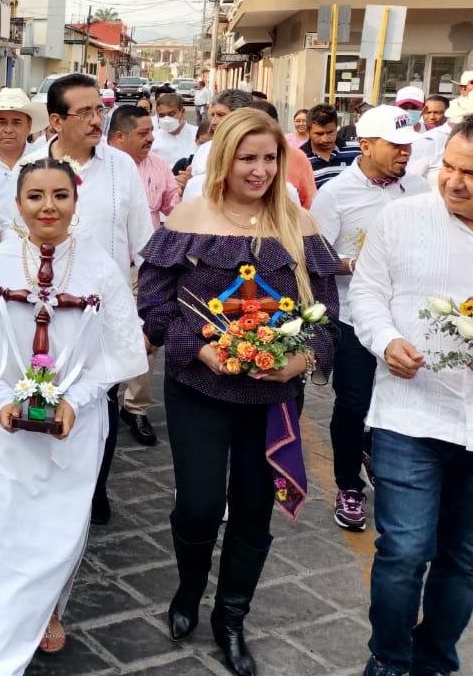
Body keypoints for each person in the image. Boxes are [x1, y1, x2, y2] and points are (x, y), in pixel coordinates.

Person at [139, 108, 339, 676]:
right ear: (224, 159)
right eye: (247, 158)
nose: (259, 170)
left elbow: (326, 315)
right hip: (198, 389)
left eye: (270, 158)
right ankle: (188, 589)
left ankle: (231, 618)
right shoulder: (189, 216)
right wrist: (199, 349)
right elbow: (154, 302)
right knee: (199, 505)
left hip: (272, 400)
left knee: (254, 509)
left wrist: (299, 359)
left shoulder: (299, 224)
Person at [0, 159, 147, 676]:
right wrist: (3, 397)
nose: (48, 207)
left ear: (76, 202)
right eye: (35, 196)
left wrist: (74, 400)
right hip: (3, 419)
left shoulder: (98, 265)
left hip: (75, 419)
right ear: (18, 204)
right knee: (3, 529)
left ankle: (49, 609)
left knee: (61, 527)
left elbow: (118, 350)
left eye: (60, 195)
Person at [350, 119, 473, 676]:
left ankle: (434, 660)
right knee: (404, 552)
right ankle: (389, 660)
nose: (454, 182)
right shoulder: (402, 218)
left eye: (470, 173)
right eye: (449, 166)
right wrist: (385, 340)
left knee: (464, 560)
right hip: (409, 412)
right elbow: (368, 293)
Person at [39, 74, 155, 523]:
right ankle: (50, 486)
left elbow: (144, 243)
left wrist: (146, 317)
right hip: (46, 312)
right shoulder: (32, 166)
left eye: (99, 110)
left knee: (101, 401)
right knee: (47, 394)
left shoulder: (120, 167)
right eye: (84, 112)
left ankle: (94, 487)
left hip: (105, 311)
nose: (95, 120)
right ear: (56, 121)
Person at [310, 106, 429, 535]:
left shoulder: (419, 189)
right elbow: (315, 258)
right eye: (395, 145)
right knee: (354, 403)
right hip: (353, 318)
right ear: (365, 145)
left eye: (408, 145)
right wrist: (358, 264)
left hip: (408, 319)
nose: (404, 153)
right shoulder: (335, 195)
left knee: (396, 401)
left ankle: (380, 456)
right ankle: (348, 485)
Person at [107, 103, 180, 447]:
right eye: (144, 133)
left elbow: (173, 207)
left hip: (144, 266)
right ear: (119, 136)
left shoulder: (159, 166)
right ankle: (101, 395)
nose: (151, 138)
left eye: (152, 132)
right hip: (107, 267)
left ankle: (135, 407)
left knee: (145, 335)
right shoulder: (103, 168)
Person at [0, 87, 50, 233]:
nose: (8, 129)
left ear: (29, 126)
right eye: (2, 122)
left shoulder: (45, 163)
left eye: (16, 123)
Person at [304, 103, 356, 188]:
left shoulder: (356, 150)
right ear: (308, 131)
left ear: (337, 127)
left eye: (330, 132)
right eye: (319, 134)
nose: (326, 139)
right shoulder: (301, 158)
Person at [152, 91, 197, 168]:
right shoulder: (152, 138)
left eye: (171, 114)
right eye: (162, 115)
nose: (167, 119)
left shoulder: (198, 134)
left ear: (182, 112)